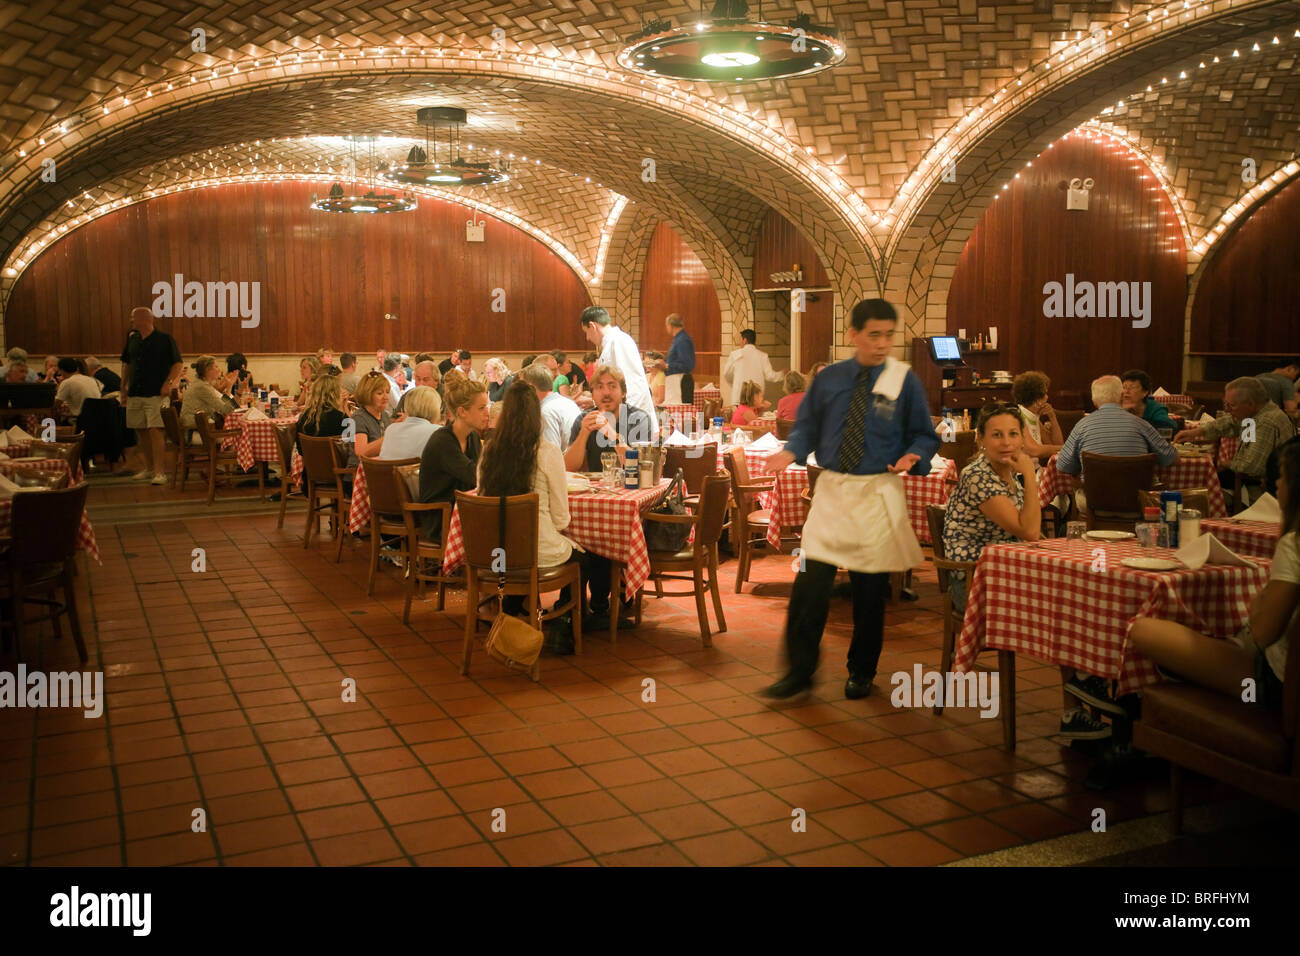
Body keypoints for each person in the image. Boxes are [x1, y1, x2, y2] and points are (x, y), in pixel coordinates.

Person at [761, 299, 940, 700]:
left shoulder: (902, 379)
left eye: (889, 335)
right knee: (809, 583)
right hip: (832, 490)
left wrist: (916, 454)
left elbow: (924, 434)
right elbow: (806, 428)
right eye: (873, 335)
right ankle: (799, 670)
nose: (882, 344)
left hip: (877, 492)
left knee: (869, 590)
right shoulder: (829, 379)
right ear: (853, 335)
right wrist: (791, 451)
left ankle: (861, 670)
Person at [1130, 440, 1299, 714]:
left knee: (1143, 629)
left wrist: (1259, 600)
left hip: (1266, 685)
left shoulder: (1294, 545)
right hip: (1274, 675)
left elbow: (1263, 632)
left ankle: (1133, 709)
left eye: (1283, 476)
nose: (1275, 484)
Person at [477, 380, 577, 616]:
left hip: (494, 556)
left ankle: (514, 611)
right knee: (594, 559)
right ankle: (565, 622)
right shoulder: (547, 452)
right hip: (535, 555)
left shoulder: (488, 453)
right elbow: (562, 521)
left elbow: (481, 498)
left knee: (520, 554)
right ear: (537, 415)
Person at [1174, 376, 1296, 504]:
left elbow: (1250, 468)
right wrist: (1196, 432)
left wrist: (1226, 463)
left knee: (1195, 496)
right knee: (1201, 483)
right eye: (1226, 404)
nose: (1227, 409)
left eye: (1231, 405)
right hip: (1247, 483)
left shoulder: (1265, 422)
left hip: (1260, 493)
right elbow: (1230, 423)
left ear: (1250, 404)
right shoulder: (1255, 415)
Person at [1056, 375, 1178, 478]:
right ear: (1121, 396)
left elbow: (1062, 467)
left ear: (1094, 401)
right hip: (1136, 501)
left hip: (1094, 500)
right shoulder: (1141, 424)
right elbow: (1171, 459)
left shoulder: (1081, 426)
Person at [418, 375, 488, 541]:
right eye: (481, 408)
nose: (487, 413)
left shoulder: (471, 437)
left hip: (462, 508)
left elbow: (479, 475)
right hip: (440, 518)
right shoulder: (443, 441)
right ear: (462, 412)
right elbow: (475, 475)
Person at [119, 305, 183, 485]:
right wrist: (123, 387)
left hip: (156, 393)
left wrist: (168, 383)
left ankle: (160, 472)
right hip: (135, 393)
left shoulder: (164, 339)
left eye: (133, 317)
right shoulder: (133, 339)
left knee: (155, 430)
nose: (131, 320)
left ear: (145, 318)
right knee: (140, 430)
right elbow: (127, 364)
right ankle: (148, 468)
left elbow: (177, 364)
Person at [563, 365, 656, 473]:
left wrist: (612, 434)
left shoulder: (639, 419)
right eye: (599, 387)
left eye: (612, 386)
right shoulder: (584, 420)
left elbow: (641, 469)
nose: (606, 393)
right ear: (592, 395)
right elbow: (567, 468)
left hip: (631, 487)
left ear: (623, 392)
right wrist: (583, 434)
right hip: (596, 488)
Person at [579, 306, 656, 423]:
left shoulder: (619, 341)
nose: (587, 338)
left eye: (587, 332)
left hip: (634, 419)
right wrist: (594, 402)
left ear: (593, 326)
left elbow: (631, 385)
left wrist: (625, 421)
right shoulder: (611, 344)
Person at [524, 362, 580, 451]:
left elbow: (551, 454)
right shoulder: (568, 402)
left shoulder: (545, 412)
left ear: (531, 388)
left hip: (566, 462)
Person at [1011, 370, 1065, 459]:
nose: (1047, 397)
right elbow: (1034, 450)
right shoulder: (1017, 415)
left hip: (1035, 469)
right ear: (1037, 399)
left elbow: (1055, 444)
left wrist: (1052, 416)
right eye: (1045, 393)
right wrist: (1066, 448)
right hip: (1021, 472)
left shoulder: (1033, 417)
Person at [723, 328, 783, 405]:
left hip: (739, 395)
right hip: (756, 397)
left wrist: (734, 383)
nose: (740, 343)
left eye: (741, 340)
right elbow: (770, 376)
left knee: (740, 416)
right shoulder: (762, 356)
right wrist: (782, 374)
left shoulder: (735, 354)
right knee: (755, 417)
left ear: (745, 340)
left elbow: (726, 374)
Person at [381, 386, 442, 460]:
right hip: (414, 471)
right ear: (435, 409)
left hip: (385, 471)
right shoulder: (437, 432)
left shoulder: (390, 429)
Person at [179, 355, 237, 429]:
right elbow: (227, 410)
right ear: (207, 370)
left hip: (197, 422)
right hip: (196, 424)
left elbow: (226, 407)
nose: (219, 370)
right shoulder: (202, 387)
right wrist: (230, 388)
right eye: (216, 367)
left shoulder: (201, 383)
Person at [296, 373, 350, 453]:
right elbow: (352, 445)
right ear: (333, 394)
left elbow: (300, 449)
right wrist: (344, 407)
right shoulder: (341, 418)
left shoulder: (305, 416)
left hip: (310, 464)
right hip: (337, 464)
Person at [349, 371, 393, 465]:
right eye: (380, 393)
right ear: (367, 394)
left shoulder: (385, 415)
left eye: (387, 392)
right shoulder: (358, 418)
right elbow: (360, 452)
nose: (386, 397)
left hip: (379, 467)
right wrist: (388, 438)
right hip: (361, 471)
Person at [54, 357, 103, 424]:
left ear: (61, 370)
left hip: (78, 422)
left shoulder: (67, 382)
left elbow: (55, 405)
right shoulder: (91, 379)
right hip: (97, 420)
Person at [663, 313, 696, 405]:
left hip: (681, 382)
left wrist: (667, 365)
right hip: (675, 381)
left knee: (683, 412)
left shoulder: (682, 340)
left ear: (671, 325)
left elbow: (687, 365)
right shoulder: (678, 339)